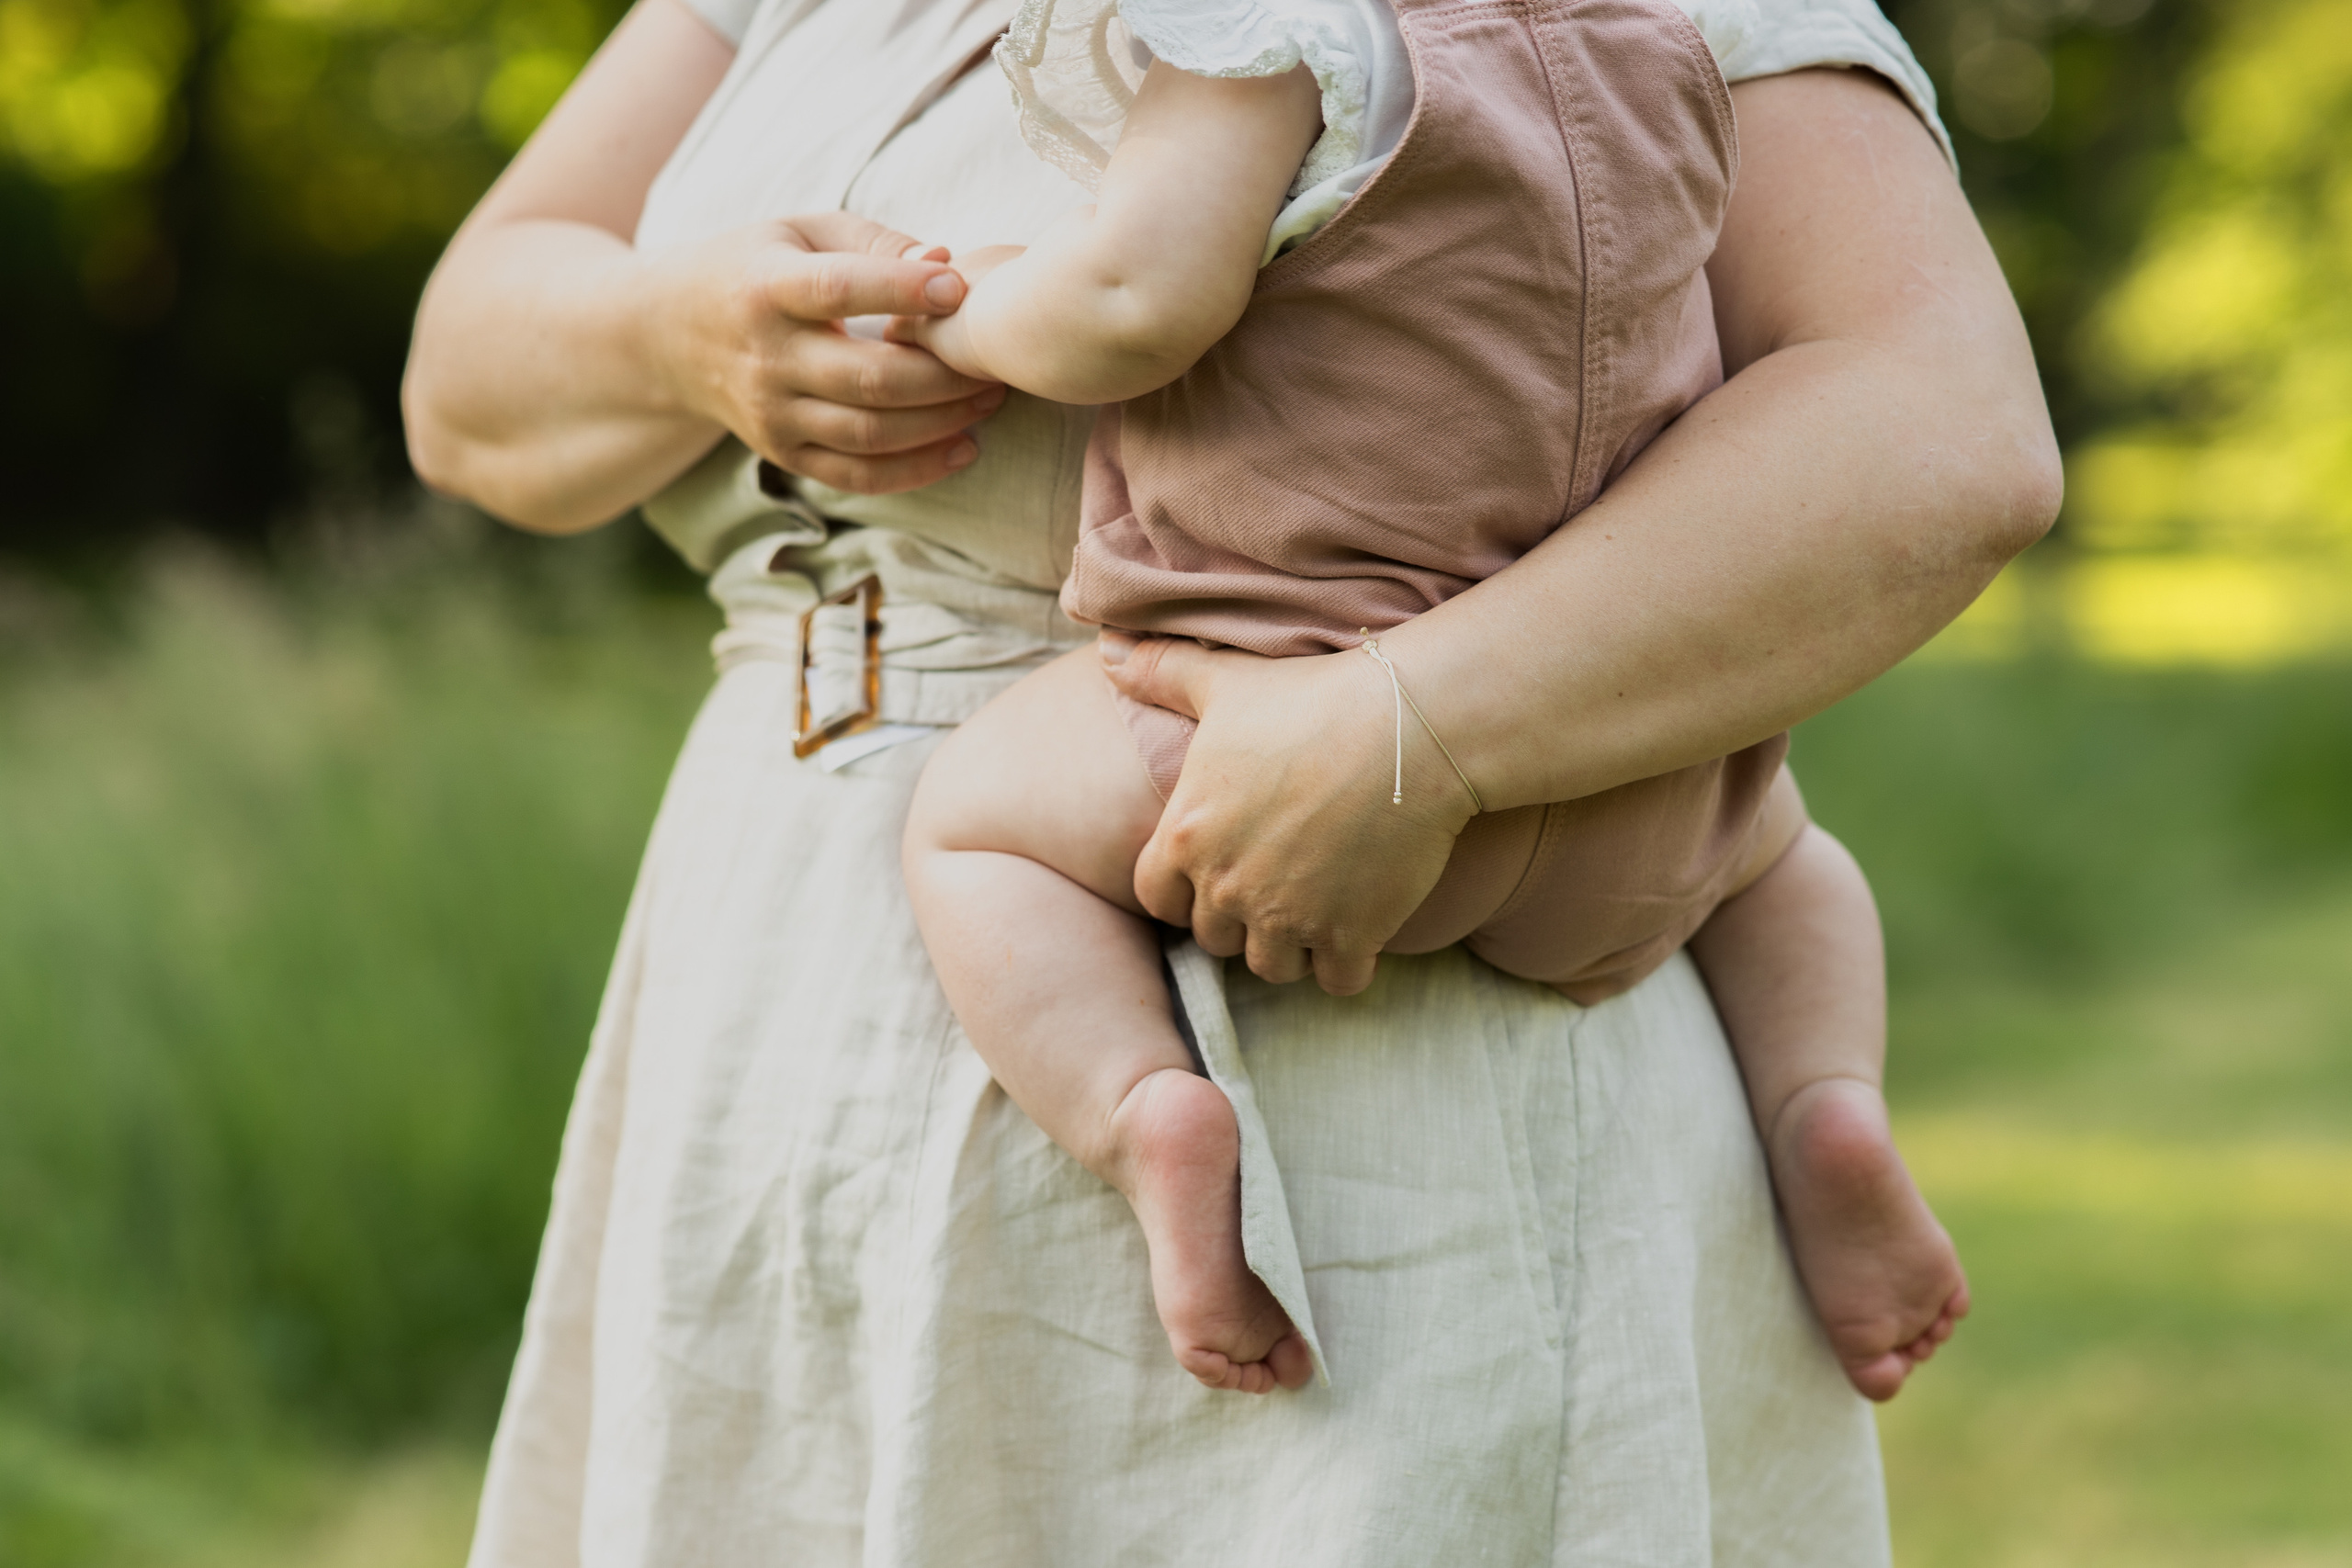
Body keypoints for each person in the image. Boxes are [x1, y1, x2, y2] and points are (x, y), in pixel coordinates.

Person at [401, 0, 2060, 1554]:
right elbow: (461, 388)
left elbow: (1943, 421)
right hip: (766, 969)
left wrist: (1416, 728)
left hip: (1299, 925)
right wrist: (677, 330)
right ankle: (1815, 1085)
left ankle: (1166, 1121)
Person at [892, 0, 1963, 1398]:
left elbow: (1129, 302)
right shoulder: (1659, 43)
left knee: (971, 825)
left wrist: (965, 318)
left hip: (1279, 732)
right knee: (1793, 863)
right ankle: (1826, 1100)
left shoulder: (1281, 37)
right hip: (1628, 777)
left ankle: (1143, 1111)